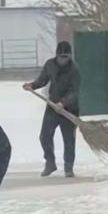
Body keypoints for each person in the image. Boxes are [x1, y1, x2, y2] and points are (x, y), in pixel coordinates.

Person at [23, 40, 81, 178]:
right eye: (61, 57)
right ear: (56, 55)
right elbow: (42, 80)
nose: (63, 60)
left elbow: (74, 92)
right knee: (45, 136)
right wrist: (32, 85)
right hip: (52, 106)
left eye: (66, 57)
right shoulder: (50, 65)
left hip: (69, 110)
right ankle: (50, 163)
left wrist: (63, 103)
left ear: (70, 56)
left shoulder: (74, 70)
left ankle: (68, 167)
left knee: (68, 139)